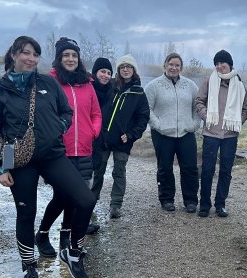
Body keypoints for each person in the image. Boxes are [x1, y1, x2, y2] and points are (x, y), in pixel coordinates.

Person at [0, 36, 95, 278]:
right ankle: (29, 267)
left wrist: (60, 127)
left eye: (35, 54)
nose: (31, 58)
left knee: (85, 199)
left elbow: (66, 110)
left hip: (52, 155)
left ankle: (73, 253)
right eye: (26, 53)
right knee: (26, 212)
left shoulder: (47, 83)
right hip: (21, 161)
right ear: (13, 54)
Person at [35, 36, 101, 271]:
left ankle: (66, 237)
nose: (71, 59)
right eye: (66, 55)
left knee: (77, 196)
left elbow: (96, 113)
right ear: (59, 58)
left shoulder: (87, 83)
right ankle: (42, 234)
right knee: (62, 196)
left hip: (83, 149)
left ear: (78, 59)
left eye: (74, 55)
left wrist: (93, 131)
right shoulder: (49, 82)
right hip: (58, 151)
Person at [93, 54, 150, 219]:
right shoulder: (109, 85)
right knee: (98, 171)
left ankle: (115, 205)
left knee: (118, 172)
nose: (126, 69)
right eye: (123, 67)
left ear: (134, 70)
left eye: (129, 67)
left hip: (123, 140)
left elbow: (143, 118)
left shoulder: (138, 92)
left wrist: (131, 135)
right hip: (103, 138)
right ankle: (90, 201)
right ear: (118, 70)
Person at [195, 50, 247, 217]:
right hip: (211, 133)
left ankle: (221, 204)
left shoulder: (239, 85)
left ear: (229, 64)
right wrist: (206, 117)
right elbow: (199, 101)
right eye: (217, 63)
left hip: (230, 136)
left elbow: (245, 108)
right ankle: (204, 205)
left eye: (222, 63)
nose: (219, 66)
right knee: (207, 170)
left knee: (226, 170)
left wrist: (237, 123)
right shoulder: (208, 81)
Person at [145, 53, 200, 213]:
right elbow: (146, 108)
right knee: (165, 168)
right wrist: (158, 125)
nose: (174, 68)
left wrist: (195, 124)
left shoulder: (190, 86)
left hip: (186, 133)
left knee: (190, 167)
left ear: (181, 68)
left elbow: (197, 106)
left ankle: (190, 200)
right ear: (165, 65)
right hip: (162, 134)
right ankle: (167, 199)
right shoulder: (153, 86)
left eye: (177, 65)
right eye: (171, 64)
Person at [88, 57, 114, 232]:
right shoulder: (87, 88)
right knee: (83, 175)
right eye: (102, 71)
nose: (105, 75)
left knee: (98, 175)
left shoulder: (113, 91)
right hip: (85, 139)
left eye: (108, 72)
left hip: (103, 141)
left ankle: (89, 207)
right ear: (95, 72)